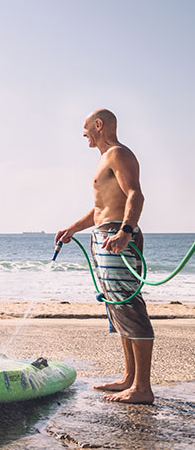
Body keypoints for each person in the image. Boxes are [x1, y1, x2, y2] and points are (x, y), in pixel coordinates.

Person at [55, 108, 154, 404]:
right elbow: (100, 209)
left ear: (99, 125)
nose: (83, 133)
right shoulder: (104, 159)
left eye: (85, 127)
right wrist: (72, 228)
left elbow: (135, 194)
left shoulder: (118, 154)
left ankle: (143, 388)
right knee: (117, 307)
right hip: (104, 235)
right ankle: (129, 378)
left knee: (129, 305)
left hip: (117, 236)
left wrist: (125, 232)